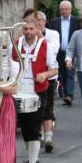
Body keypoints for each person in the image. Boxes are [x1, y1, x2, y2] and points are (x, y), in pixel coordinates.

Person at [16, 18, 58, 163]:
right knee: (25, 128)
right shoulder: (16, 44)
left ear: (37, 29)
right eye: (25, 29)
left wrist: (44, 74)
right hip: (18, 91)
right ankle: (32, 158)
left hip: (38, 91)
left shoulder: (45, 45)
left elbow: (54, 69)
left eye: (31, 29)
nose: (28, 32)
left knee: (34, 127)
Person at [36, 11, 60, 153]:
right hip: (35, 78)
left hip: (49, 76)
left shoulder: (53, 34)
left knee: (48, 108)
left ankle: (48, 137)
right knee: (37, 108)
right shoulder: (28, 35)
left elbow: (54, 49)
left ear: (44, 22)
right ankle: (38, 134)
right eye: (35, 20)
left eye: (40, 20)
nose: (38, 23)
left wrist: (41, 38)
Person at [49, 0, 80, 106]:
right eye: (62, 9)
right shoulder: (54, 22)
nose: (64, 11)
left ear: (70, 10)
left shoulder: (77, 22)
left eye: (66, 9)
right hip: (58, 52)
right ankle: (63, 93)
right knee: (60, 73)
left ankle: (69, 95)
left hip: (71, 52)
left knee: (70, 72)